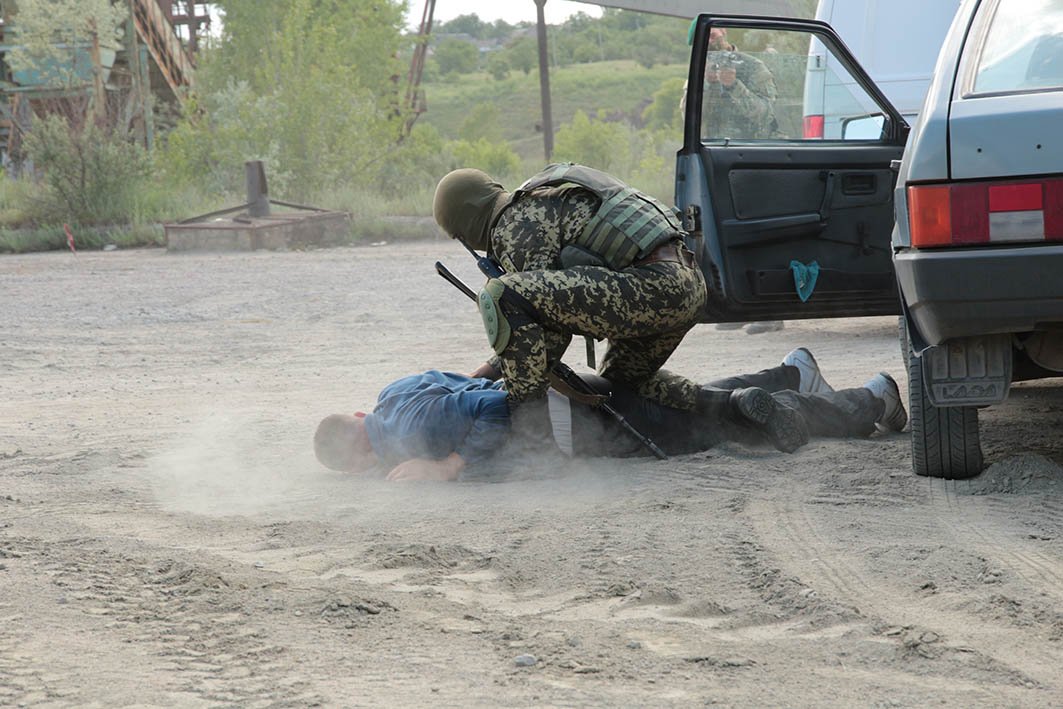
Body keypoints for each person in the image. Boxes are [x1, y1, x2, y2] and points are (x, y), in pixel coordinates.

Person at [313, 348, 908, 482]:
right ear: (359, 414)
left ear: (362, 457)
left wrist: (446, 466)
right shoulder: (393, 395)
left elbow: (493, 405)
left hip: (585, 420)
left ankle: (873, 398)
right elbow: (471, 381)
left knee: (722, 424)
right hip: (578, 392)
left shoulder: (402, 437)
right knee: (698, 402)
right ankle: (791, 374)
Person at [432, 162, 710, 418]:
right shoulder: (540, 199)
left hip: (654, 288)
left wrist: (509, 383)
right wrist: (491, 369)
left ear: (465, 224)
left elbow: (542, 321)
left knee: (501, 294)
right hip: (688, 286)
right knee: (620, 385)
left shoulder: (514, 227)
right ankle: (726, 404)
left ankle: (530, 435)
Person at [701, 27, 779, 140]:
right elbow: (689, 117)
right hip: (711, 147)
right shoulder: (700, 70)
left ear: (723, 31)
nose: (709, 41)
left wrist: (734, 86)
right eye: (703, 38)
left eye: (712, 35)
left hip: (748, 147)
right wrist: (706, 84)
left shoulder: (752, 66)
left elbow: (767, 114)